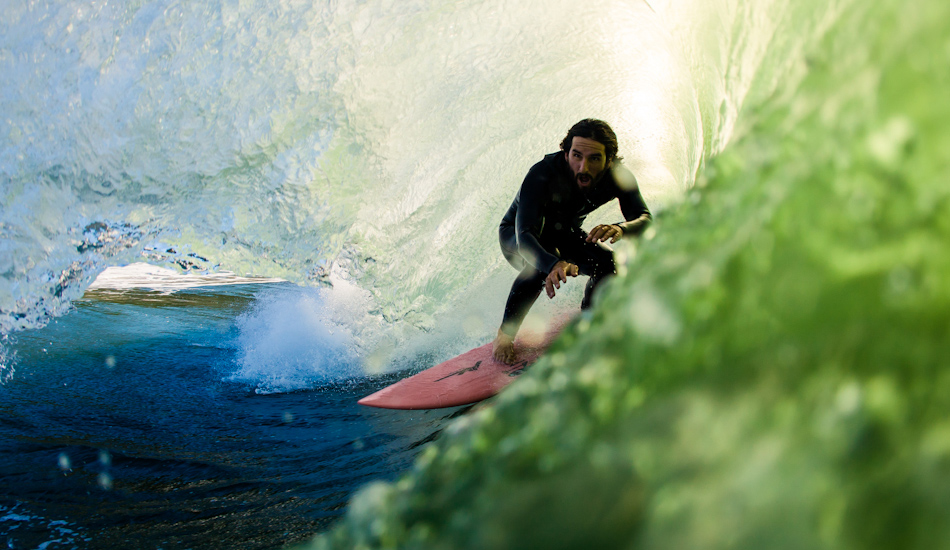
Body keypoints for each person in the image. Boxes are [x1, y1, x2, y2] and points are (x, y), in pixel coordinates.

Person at [492, 119, 651, 364]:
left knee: (610, 264)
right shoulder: (542, 173)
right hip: (518, 236)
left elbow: (644, 218)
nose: (583, 167)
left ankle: (590, 321)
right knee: (540, 264)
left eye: (594, 159)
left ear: (609, 160)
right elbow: (525, 235)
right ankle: (505, 335)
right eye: (576, 156)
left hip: (565, 233)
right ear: (566, 153)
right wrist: (553, 264)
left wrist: (621, 228)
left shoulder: (617, 177)